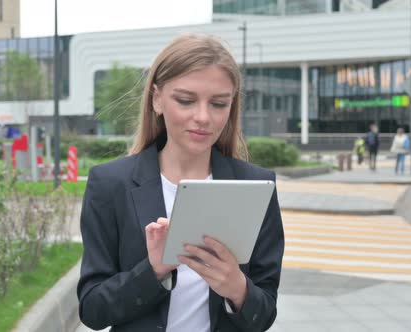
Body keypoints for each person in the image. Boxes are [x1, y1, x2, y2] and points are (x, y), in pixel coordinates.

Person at [77, 34, 284, 332]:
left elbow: (264, 314)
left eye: (219, 104)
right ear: (157, 98)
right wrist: (153, 271)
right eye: (186, 100)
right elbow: (92, 310)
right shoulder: (110, 184)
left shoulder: (257, 186)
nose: (203, 117)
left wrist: (237, 287)